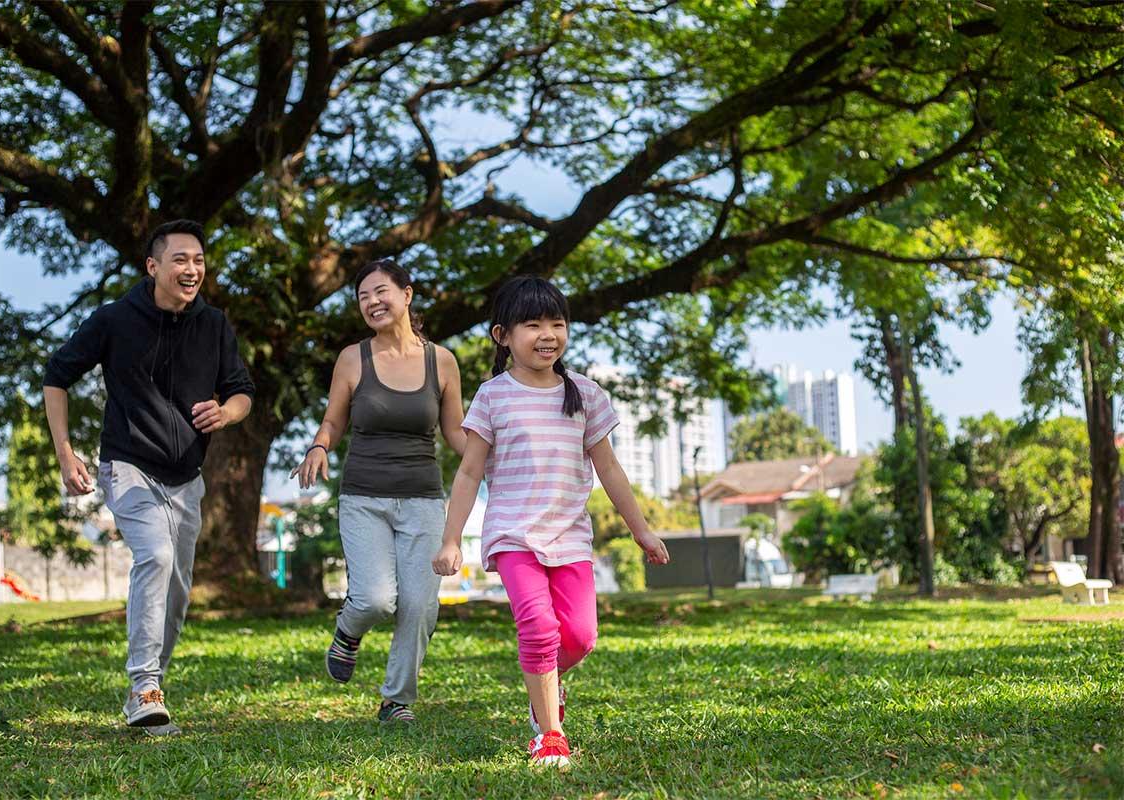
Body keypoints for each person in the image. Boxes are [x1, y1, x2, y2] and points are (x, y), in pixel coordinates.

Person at [432, 275, 670, 769]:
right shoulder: (493, 396)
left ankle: (544, 683)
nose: (548, 334)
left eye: (557, 323)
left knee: (579, 637)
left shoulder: (584, 393)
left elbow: (609, 468)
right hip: (514, 534)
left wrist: (640, 529)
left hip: (570, 537)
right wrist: (451, 539)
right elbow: (470, 470)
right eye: (533, 324)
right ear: (503, 336)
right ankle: (549, 734)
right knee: (539, 628)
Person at [42, 219, 254, 735]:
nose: (192, 269)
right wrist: (65, 453)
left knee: (178, 593)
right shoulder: (114, 319)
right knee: (155, 557)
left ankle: (153, 678)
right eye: (180, 259)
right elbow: (56, 375)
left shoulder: (214, 324)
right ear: (153, 266)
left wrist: (226, 413)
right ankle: (143, 688)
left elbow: (243, 391)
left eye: (199, 260)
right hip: (129, 466)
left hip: (187, 478)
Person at [291, 258, 467, 724]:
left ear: (406, 294)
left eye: (380, 291)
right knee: (373, 599)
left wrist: (492, 458)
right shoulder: (353, 358)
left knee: (419, 606)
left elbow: (455, 433)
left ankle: (396, 700)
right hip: (364, 497)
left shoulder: (441, 361)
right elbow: (334, 418)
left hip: (425, 499)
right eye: (363, 296)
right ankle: (348, 631)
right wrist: (319, 446)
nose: (372, 302)